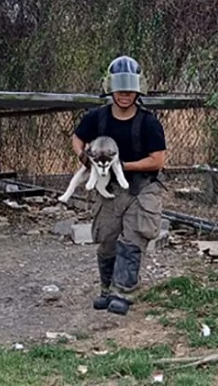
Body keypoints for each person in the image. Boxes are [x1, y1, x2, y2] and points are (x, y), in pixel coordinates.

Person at [71, 55, 167, 316]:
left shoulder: (148, 122)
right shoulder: (97, 118)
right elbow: (77, 138)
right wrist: (83, 156)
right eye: (119, 87)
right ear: (110, 88)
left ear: (138, 89)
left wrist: (122, 165)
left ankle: (123, 292)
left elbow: (157, 160)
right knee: (108, 240)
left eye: (130, 88)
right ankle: (107, 289)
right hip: (109, 187)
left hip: (142, 187)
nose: (125, 94)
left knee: (132, 239)